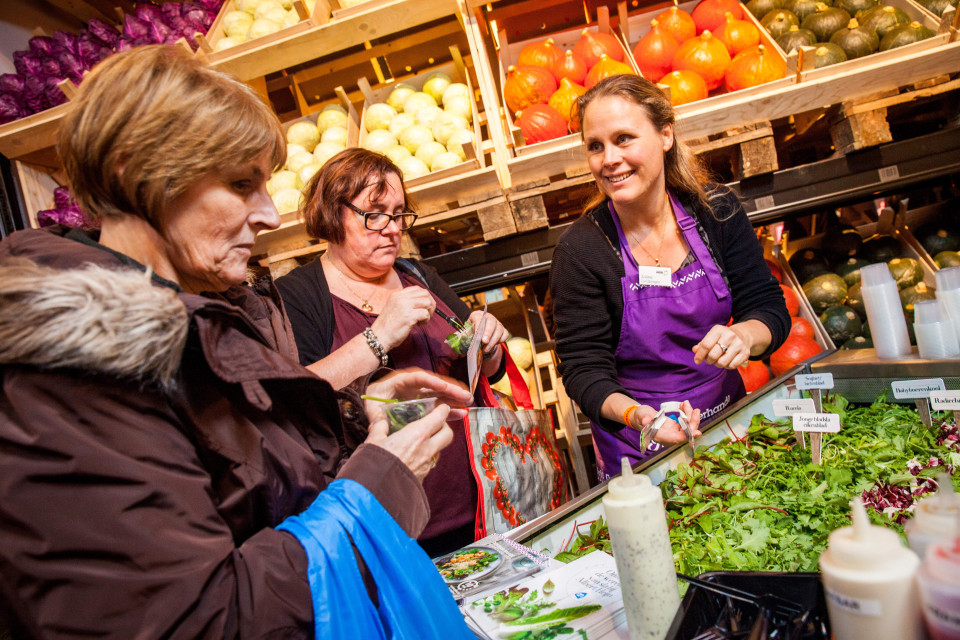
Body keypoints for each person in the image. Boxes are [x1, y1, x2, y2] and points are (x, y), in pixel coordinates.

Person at [0, 46, 477, 639]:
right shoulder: (71, 370)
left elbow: (248, 485)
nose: (271, 214)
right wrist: (373, 496)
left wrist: (356, 411)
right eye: (239, 184)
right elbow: (197, 620)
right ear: (135, 170)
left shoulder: (200, 312)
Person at [549, 75, 789, 481]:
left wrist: (746, 335)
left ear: (665, 135)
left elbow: (768, 308)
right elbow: (583, 370)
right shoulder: (581, 252)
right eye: (595, 146)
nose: (608, 158)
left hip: (727, 425)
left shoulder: (716, 211)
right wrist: (638, 416)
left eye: (624, 138)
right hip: (640, 446)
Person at [275, 148, 510, 556]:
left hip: (476, 508)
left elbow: (486, 370)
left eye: (399, 213)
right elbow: (299, 399)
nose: (392, 228)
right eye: (375, 213)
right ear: (333, 215)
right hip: (387, 525)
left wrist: (487, 343)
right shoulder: (297, 296)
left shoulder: (417, 275)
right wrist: (379, 336)